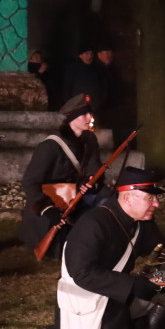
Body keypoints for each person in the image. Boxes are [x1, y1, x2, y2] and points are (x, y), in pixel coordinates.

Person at [39, 167, 165, 329]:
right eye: (150, 198)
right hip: (89, 304)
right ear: (128, 198)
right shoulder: (93, 224)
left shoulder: (142, 224)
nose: (156, 204)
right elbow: (82, 273)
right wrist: (132, 285)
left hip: (117, 300)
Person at [19, 93, 102, 258]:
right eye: (84, 114)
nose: (89, 117)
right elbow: (30, 182)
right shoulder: (49, 147)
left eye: (89, 113)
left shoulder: (90, 139)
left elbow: (94, 168)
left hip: (77, 196)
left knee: (107, 205)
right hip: (48, 201)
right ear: (72, 118)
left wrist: (92, 182)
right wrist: (48, 208)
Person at [63, 44, 107, 110]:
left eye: (91, 54)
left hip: (95, 108)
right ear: (80, 55)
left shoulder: (97, 69)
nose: (89, 56)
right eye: (87, 54)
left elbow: (104, 86)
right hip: (77, 108)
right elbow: (67, 89)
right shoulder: (73, 69)